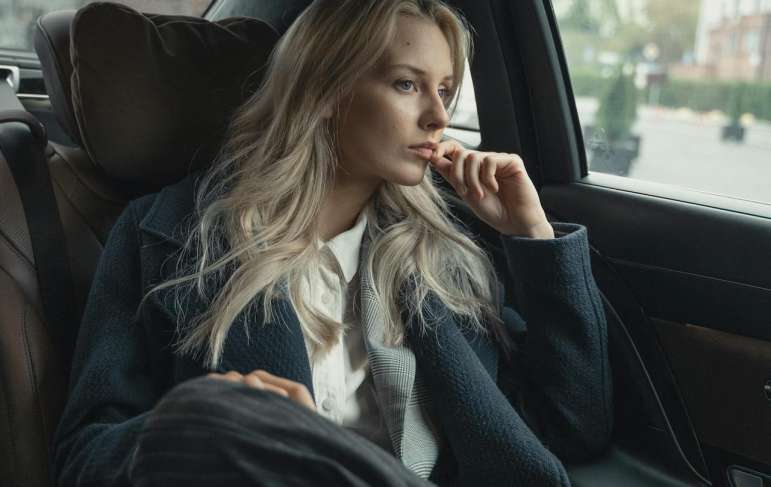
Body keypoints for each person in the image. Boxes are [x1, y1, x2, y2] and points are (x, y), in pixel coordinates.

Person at [51, 0, 613, 486]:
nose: (438, 116)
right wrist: (204, 424)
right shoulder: (165, 236)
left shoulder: (442, 254)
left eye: (444, 90)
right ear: (325, 91)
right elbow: (85, 458)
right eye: (406, 84)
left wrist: (532, 236)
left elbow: (568, 426)